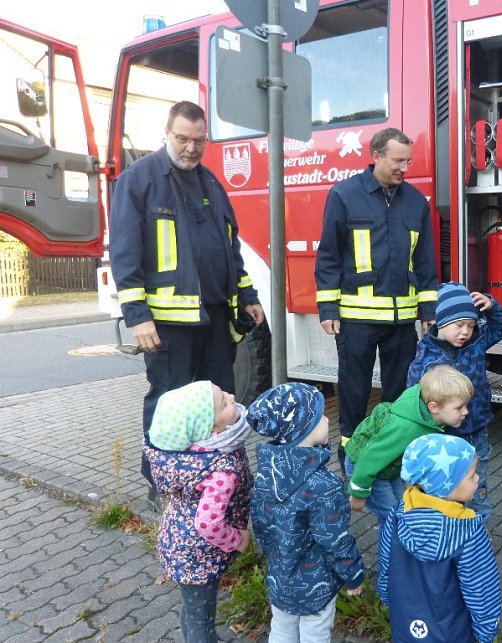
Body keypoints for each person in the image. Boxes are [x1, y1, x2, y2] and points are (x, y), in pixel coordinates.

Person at [109, 100, 264, 495]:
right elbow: (125, 253)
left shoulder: (211, 182)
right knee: (167, 401)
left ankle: (217, 481)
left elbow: (231, 249)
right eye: (182, 138)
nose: (191, 148)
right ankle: (161, 485)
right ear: (167, 133)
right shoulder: (138, 180)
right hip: (166, 323)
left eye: (199, 140)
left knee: (220, 400)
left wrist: (247, 294)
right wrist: (137, 315)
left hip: (215, 318)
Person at [314, 127, 438, 467]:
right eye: (398, 161)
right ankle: (351, 456)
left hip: (401, 322)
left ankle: (391, 454)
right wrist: (328, 307)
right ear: (376, 156)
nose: (404, 168)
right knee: (353, 392)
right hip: (357, 320)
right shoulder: (344, 195)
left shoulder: (416, 202)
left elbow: (425, 260)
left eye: (408, 162)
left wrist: (429, 309)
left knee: (399, 392)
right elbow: (329, 255)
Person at [246, 382, 364, 643]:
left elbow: (262, 524)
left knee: (282, 628)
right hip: (315, 582)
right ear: (304, 428)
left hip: (279, 576)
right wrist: (353, 574)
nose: (327, 419)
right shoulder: (324, 485)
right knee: (316, 633)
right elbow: (335, 538)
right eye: (321, 416)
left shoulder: (266, 473)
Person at [143, 380, 253, 643]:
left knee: (193, 609)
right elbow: (208, 523)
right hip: (197, 553)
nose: (232, 396)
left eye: (224, 393)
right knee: (201, 616)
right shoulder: (219, 471)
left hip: (179, 541)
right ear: (213, 431)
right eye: (224, 403)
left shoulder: (188, 456)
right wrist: (238, 540)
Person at [378, 433, 501, 643]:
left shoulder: (399, 513)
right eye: (471, 476)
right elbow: (482, 592)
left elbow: (386, 563)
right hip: (454, 633)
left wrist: (386, 597)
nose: (478, 478)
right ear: (446, 486)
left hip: (406, 625)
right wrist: (485, 633)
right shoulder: (469, 532)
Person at [406, 281, 502, 520]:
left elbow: (501, 327)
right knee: (446, 487)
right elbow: (415, 399)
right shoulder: (426, 356)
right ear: (441, 322)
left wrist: (492, 307)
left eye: (471, 325)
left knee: (477, 484)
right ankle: (447, 528)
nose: (465, 332)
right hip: (445, 437)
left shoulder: (476, 342)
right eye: (459, 325)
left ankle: (477, 534)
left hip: (476, 431)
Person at [347, 364, 473, 521]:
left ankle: (400, 538)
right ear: (433, 407)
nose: (465, 412)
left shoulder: (426, 411)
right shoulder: (406, 428)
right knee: (391, 517)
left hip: (388, 466)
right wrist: (358, 493)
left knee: (403, 507)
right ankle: (391, 544)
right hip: (365, 469)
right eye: (459, 407)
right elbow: (370, 458)